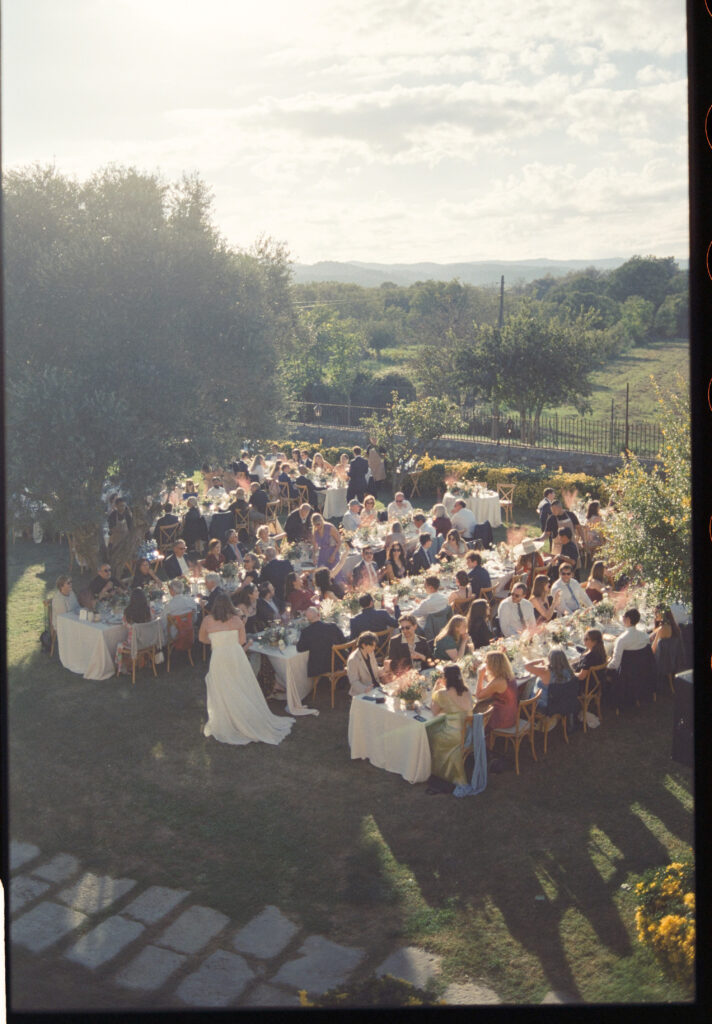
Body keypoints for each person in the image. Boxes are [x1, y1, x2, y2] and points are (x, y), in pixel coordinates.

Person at [198, 592, 294, 746]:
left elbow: (202, 639)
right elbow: (242, 641)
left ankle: (227, 717)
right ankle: (244, 715)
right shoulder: (236, 620)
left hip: (219, 657)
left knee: (223, 686)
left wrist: (216, 641)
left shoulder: (207, 620)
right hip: (236, 656)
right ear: (230, 605)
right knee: (240, 685)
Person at [524, 646, 579, 719]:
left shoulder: (545, 671)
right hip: (564, 702)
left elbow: (526, 666)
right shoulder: (569, 670)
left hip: (546, 706)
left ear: (550, 658)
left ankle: (523, 712)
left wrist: (540, 660)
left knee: (529, 683)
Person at [296, 607, 346, 681]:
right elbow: (344, 641)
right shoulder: (333, 626)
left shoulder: (306, 632)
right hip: (338, 662)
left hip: (319, 667)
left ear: (308, 619)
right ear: (319, 615)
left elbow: (300, 648)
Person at [474, 651, 518, 733]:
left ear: (493, 665)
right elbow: (492, 682)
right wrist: (482, 674)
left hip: (503, 718)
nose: (485, 664)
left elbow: (478, 696)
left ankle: (477, 739)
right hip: (511, 713)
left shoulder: (499, 681)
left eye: (486, 662)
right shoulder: (508, 675)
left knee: (476, 714)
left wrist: (480, 676)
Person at [115, 588, 153, 674]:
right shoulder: (148, 610)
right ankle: (144, 661)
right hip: (148, 640)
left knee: (119, 645)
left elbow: (125, 624)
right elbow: (152, 620)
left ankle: (122, 668)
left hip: (134, 643)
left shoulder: (128, 612)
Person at [346, 632, 384, 696]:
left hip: (376, 687)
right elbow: (354, 681)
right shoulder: (353, 659)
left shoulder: (370, 652)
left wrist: (384, 670)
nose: (374, 648)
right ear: (363, 645)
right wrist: (365, 689)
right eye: (372, 646)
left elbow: (374, 669)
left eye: (375, 646)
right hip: (363, 691)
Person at [259, 546, 294, 612]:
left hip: (276, 597)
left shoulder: (265, 569)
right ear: (276, 554)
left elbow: (262, 583)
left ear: (266, 557)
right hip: (290, 592)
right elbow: (293, 576)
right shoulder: (286, 563)